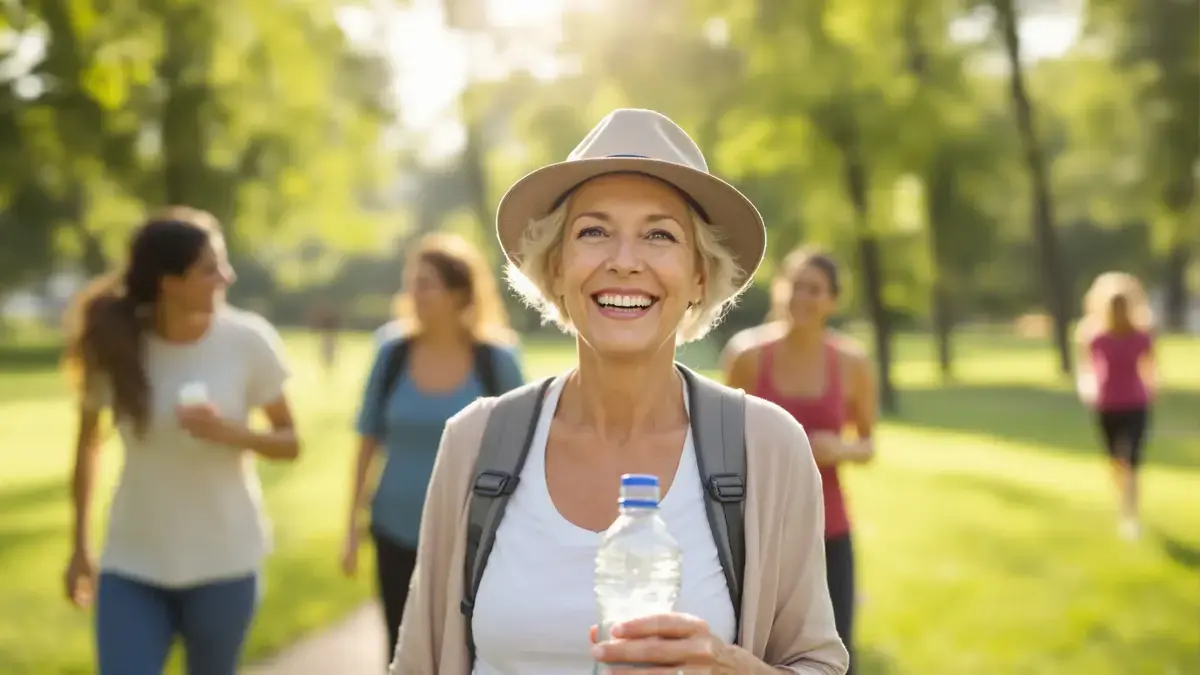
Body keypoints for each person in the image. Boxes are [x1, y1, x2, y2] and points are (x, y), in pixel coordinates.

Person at [390, 109, 849, 674]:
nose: (624, 262)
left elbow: (817, 664)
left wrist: (730, 668)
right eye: (594, 232)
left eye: (659, 234)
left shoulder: (769, 448)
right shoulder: (476, 441)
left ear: (700, 277)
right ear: (555, 269)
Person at [61, 206, 300, 675]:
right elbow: (87, 448)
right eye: (210, 270)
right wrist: (79, 546)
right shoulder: (116, 345)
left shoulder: (249, 341)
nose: (226, 277)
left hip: (225, 562)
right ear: (169, 282)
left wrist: (229, 432)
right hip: (133, 562)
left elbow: (290, 442)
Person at [341, 232, 526, 663]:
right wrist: (352, 527)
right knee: (402, 648)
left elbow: (523, 447)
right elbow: (367, 439)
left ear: (459, 291)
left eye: (426, 283)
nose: (413, 293)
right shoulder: (391, 353)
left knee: (468, 649)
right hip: (394, 528)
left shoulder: (496, 359)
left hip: (473, 536)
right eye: (412, 282)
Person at [723, 247, 877, 674]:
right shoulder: (747, 355)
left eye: (815, 289)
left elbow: (868, 444)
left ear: (832, 300)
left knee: (833, 653)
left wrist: (840, 448)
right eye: (795, 285)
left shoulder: (852, 363)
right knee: (752, 651)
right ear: (780, 289)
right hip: (757, 527)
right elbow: (722, 437)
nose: (803, 297)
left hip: (830, 528)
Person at [1074, 271, 1156, 540]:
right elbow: (1086, 369)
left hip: (1136, 404)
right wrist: (1087, 388)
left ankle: (1129, 514)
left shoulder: (1142, 336)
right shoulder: (1095, 336)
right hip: (1108, 404)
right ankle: (1124, 497)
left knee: (1131, 458)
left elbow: (1151, 367)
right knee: (1116, 460)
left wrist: (1154, 386)